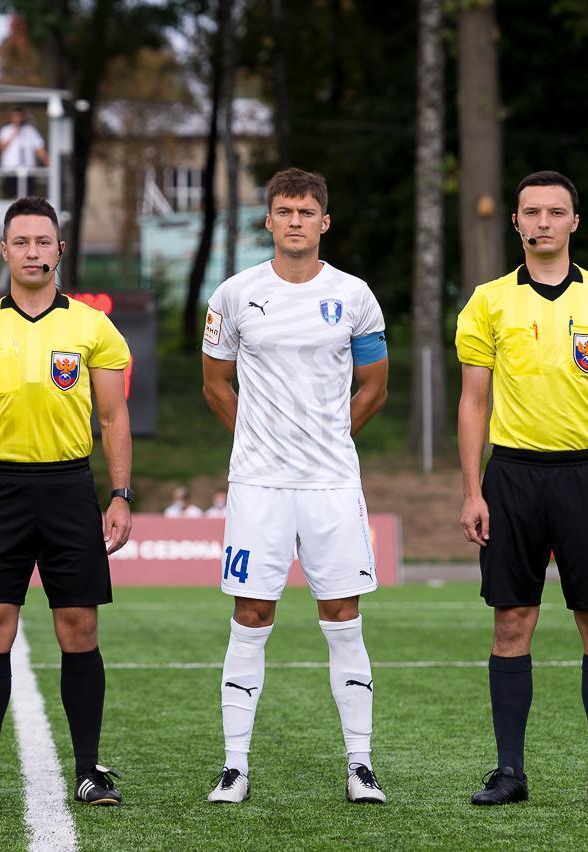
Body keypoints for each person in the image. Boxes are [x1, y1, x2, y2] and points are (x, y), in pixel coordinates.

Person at [456, 170, 588, 807]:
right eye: (531, 212)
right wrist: (472, 490)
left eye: (555, 212)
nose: (543, 222)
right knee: (512, 622)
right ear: (515, 221)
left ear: (574, 222)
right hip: (512, 477)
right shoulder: (487, 301)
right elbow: (473, 400)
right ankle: (509, 772)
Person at [201, 168, 389, 804]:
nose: (295, 222)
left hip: (331, 483)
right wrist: (257, 440)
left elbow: (375, 387)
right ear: (269, 220)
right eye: (284, 211)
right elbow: (215, 382)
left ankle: (360, 765)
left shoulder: (355, 295)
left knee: (343, 616)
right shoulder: (234, 294)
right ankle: (234, 766)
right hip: (259, 484)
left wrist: (330, 437)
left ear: (324, 222)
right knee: (250, 615)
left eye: (307, 212)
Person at [0, 196, 133, 806]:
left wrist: (121, 493)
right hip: (0, 489)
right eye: (20, 242)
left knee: (79, 626)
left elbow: (113, 417)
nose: (32, 252)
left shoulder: (93, 326)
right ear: (4, 251)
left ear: (59, 250)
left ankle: (90, 769)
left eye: (42, 241)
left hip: (70, 488)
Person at [0, 108, 49, 199]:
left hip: (28, 170)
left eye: (19, 116)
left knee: (27, 197)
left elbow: (39, 149)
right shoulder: (5, 130)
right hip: (10, 170)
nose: (18, 118)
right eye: (15, 116)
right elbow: (2, 147)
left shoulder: (30, 131)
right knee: (11, 196)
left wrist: (47, 161)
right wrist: (14, 133)